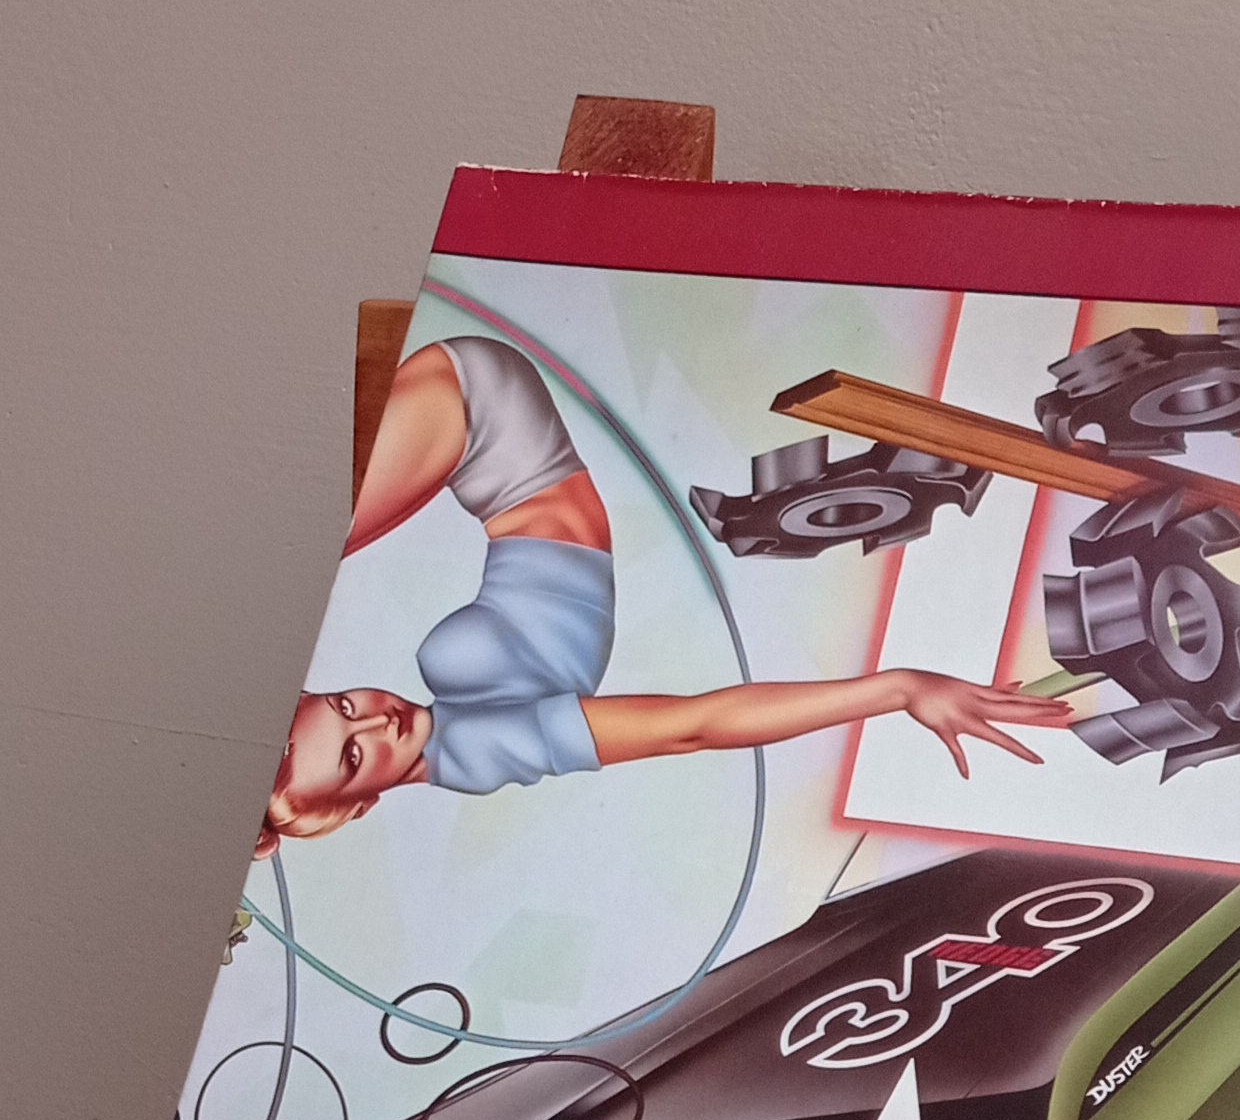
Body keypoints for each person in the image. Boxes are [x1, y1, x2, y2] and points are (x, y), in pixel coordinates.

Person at [257, 335, 1069, 852]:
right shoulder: (489, 747)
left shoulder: (450, 742)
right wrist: (895, 688)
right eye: (355, 754)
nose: (377, 719)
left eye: (344, 704)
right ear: (350, 807)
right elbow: (691, 727)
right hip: (483, 422)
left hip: (478, 420)